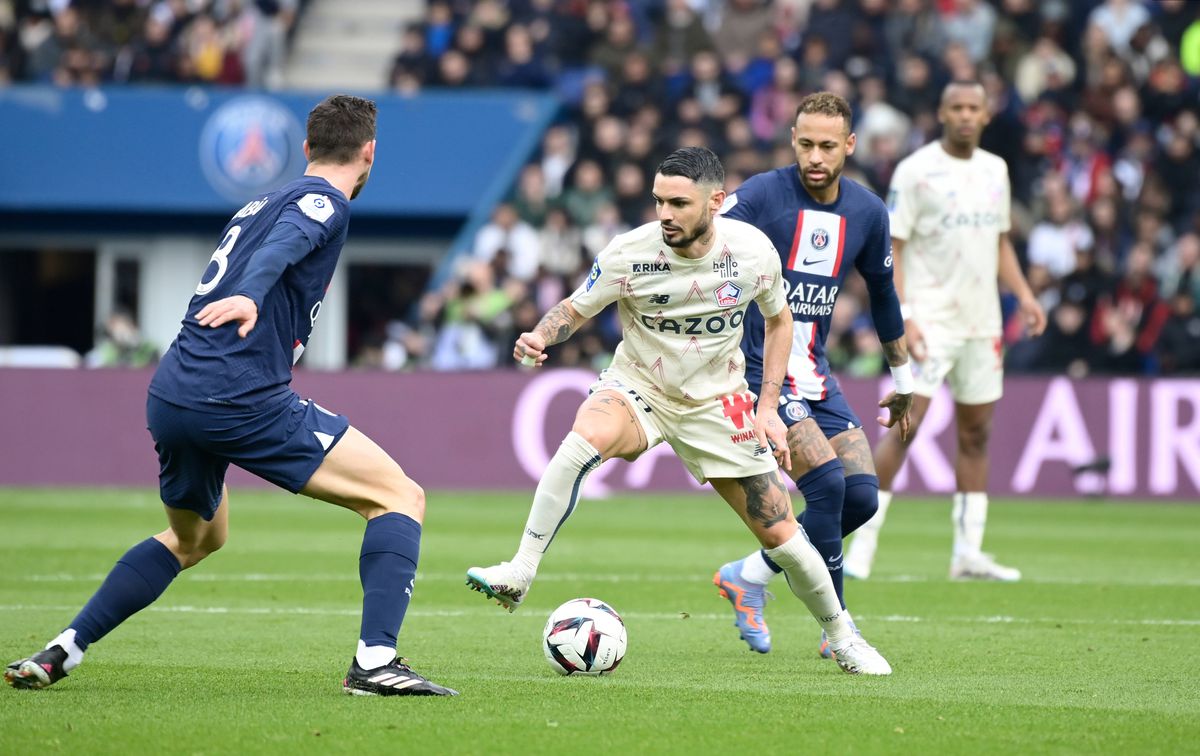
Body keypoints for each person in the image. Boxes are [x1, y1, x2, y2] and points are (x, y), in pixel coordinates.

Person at [5, 95, 457, 697]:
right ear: (369, 151)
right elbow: (287, 246)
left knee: (198, 538)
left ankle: (65, 647)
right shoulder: (325, 201)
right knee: (400, 496)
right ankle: (375, 662)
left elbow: (277, 241)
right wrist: (251, 293)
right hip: (239, 395)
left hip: (173, 393)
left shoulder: (258, 201)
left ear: (305, 148)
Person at [465, 146, 891, 675]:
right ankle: (521, 570)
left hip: (718, 401)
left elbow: (779, 322)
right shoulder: (630, 253)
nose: (665, 214)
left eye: (678, 204)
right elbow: (575, 307)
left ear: (716, 202)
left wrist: (767, 405)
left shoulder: (753, 252)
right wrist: (539, 335)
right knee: (581, 440)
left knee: (785, 539)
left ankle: (843, 637)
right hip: (640, 386)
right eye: (659, 201)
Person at [711, 92, 913, 656]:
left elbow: (883, 295)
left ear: (850, 145)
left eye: (828, 145)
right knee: (825, 486)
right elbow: (708, 245)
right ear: (793, 140)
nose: (815, 156)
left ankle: (749, 574)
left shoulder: (868, 212)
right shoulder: (761, 196)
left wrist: (903, 377)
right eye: (805, 144)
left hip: (816, 372)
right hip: (757, 368)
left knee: (863, 498)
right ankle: (839, 628)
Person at [843, 81, 1047, 582]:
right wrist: (905, 314)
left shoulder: (995, 169)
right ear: (941, 112)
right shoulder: (916, 171)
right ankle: (862, 546)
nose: (964, 115)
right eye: (955, 106)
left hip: (982, 323)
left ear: (986, 113)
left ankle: (967, 554)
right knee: (905, 428)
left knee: (977, 434)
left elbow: (1000, 242)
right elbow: (894, 247)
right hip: (931, 319)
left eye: (973, 107)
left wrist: (1023, 294)